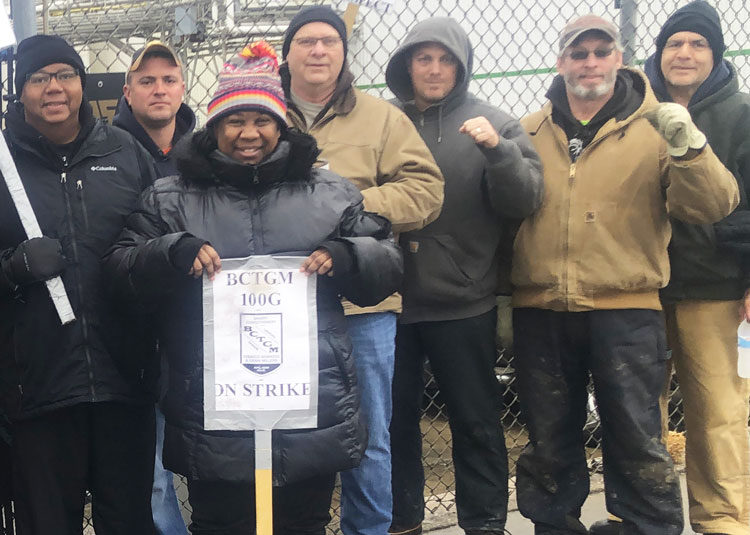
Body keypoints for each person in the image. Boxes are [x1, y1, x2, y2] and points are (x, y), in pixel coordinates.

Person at [103, 41, 403, 535]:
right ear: (214, 127)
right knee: (220, 523)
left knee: (303, 523)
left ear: (281, 125)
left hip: (308, 404)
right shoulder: (171, 199)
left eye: (261, 119)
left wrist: (350, 256)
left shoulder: (329, 194)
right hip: (214, 407)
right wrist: (171, 252)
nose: (248, 133)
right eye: (234, 120)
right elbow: (121, 270)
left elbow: (387, 266)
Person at [511, 14, 739, 535]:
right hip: (541, 308)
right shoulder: (527, 131)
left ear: (619, 58)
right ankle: (553, 525)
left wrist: (690, 148)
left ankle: (648, 526)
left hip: (626, 308)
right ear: (561, 60)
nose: (589, 62)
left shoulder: (656, 126)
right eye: (578, 52)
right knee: (549, 438)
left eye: (600, 51)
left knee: (635, 435)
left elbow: (714, 203)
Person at [280, 7, 444, 535]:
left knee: (369, 434)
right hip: (282, 303)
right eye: (306, 41)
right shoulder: (260, 113)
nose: (319, 51)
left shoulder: (382, 119)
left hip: (364, 304)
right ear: (288, 53)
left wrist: (349, 209)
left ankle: (368, 528)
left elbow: (425, 190)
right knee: (284, 428)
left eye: (330, 41)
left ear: (345, 52)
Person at [384, 17, 543, 535]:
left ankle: (485, 523)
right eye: (423, 58)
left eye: (446, 59)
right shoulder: (383, 121)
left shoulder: (496, 121)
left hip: (463, 300)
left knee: (476, 424)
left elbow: (525, 200)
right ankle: (401, 521)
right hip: (388, 301)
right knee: (393, 425)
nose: (434, 69)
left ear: (462, 65)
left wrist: (497, 151)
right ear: (407, 64)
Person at [0, 34, 158, 534]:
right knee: (47, 523)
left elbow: (157, 234)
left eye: (65, 75)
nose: (53, 87)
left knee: (129, 519)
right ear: (21, 90)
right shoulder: (3, 162)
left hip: (121, 376)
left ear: (82, 85)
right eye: (39, 77)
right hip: (38, 383)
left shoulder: (125, 152)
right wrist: (14, 268)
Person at [639, 3, 750, 535]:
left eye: (697, 44)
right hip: (641, 288)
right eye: (674, 43)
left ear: (715, 55)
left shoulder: (742, 116)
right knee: (640, 413)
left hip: (716, 290)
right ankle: (643, 514)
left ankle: (724, 521)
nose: (683, 53)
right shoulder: (635, 112)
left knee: (718, 416)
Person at [112, 39, 196, 535]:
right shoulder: (105, 151)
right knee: (151, 459)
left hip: (195, 321)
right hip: (135, 325)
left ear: (183, 89)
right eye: (147, 81)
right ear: (127, 92)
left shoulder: (206, 151)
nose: (159, 89)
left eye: (168, 80)